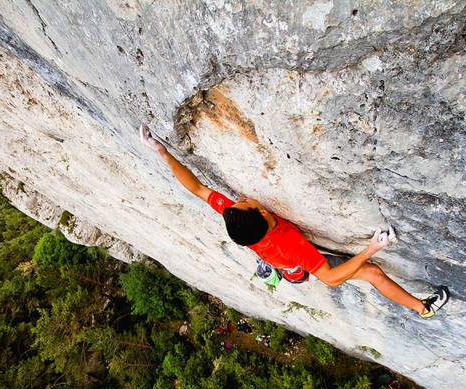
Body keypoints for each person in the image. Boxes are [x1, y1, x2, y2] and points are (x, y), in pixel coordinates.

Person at [139, 125, 449, 317]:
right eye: (244, 202)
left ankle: (269, 271)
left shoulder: (235, 217)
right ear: (262, 214)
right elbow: (330, 278)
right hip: (294, 266)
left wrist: (162, 152)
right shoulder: (288, 243)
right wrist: (371, 248)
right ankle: (423, 309)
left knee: (356, 270)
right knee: (371, 272)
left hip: (280, 259)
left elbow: (196, 187)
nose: (241, 197)